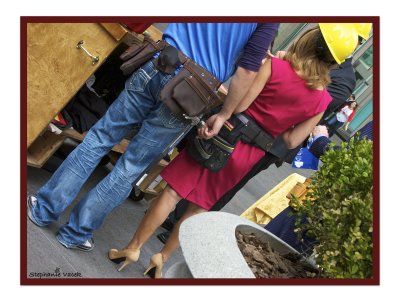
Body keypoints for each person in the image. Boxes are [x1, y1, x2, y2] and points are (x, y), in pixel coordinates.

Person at [108, 24, 359, 278]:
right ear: (333, 63)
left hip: (228, 134)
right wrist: (279, 121)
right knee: (199, 207)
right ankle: (161, 258)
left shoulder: (276, 67)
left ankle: (133, 248)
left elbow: (243, 104)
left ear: (309, 40)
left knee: (173, 192)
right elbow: (293, 141)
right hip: (251, 154)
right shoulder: (322, 100)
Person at [27, 23, 279, 251]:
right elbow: (247, 70)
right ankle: (75, 233)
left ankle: (44, 209)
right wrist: (225, 114)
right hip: (193, 89)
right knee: (131, 165)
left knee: (99, 138)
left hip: (162, 59)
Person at [265, 120, 373, 254]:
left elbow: (351, 164)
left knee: (271, 246)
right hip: (348, 218)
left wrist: (320, 140)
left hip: (328, 204)